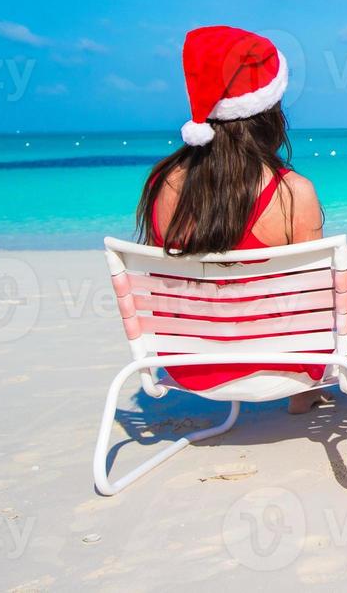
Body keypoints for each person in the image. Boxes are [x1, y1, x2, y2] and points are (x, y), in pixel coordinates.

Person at [136, 26, 329, 414]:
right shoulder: (293, 192)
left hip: (191, 368)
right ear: (267, 112)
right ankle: (305, 395)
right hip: (281, 368)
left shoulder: (161, 185)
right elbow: (314, 302)